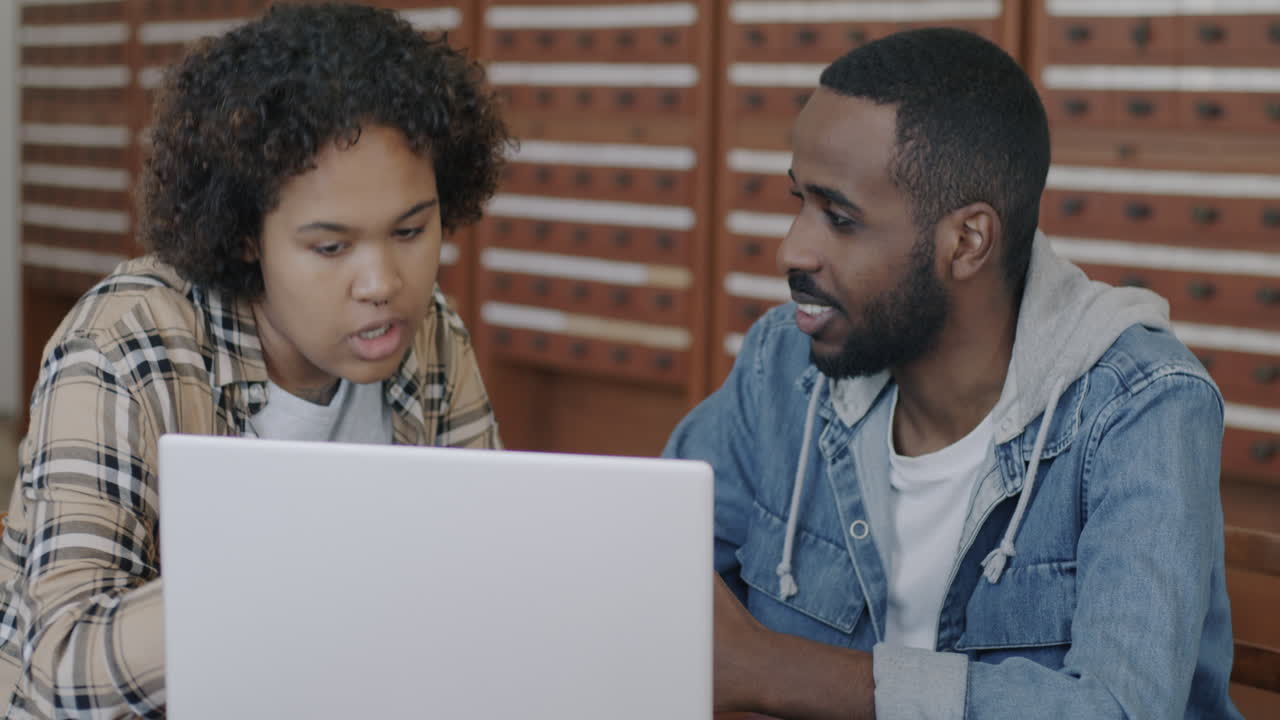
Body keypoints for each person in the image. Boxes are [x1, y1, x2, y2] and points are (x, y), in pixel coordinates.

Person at [665, 28, 1240, 719]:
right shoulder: (782, 362)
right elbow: (649, 570)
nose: (794, 248)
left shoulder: (1142, 408)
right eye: (799, 202)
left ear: (966, 240)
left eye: (840, 219)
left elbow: (1118, 710)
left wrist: (778, 671)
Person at [0, 4, 509, 716]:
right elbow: (64, 668)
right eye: (330, 247)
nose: (383, 283)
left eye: (411, 230)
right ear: (245, 238)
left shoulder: (432, 337)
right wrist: (304, 566)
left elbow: (477, 591)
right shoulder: (125, 345)